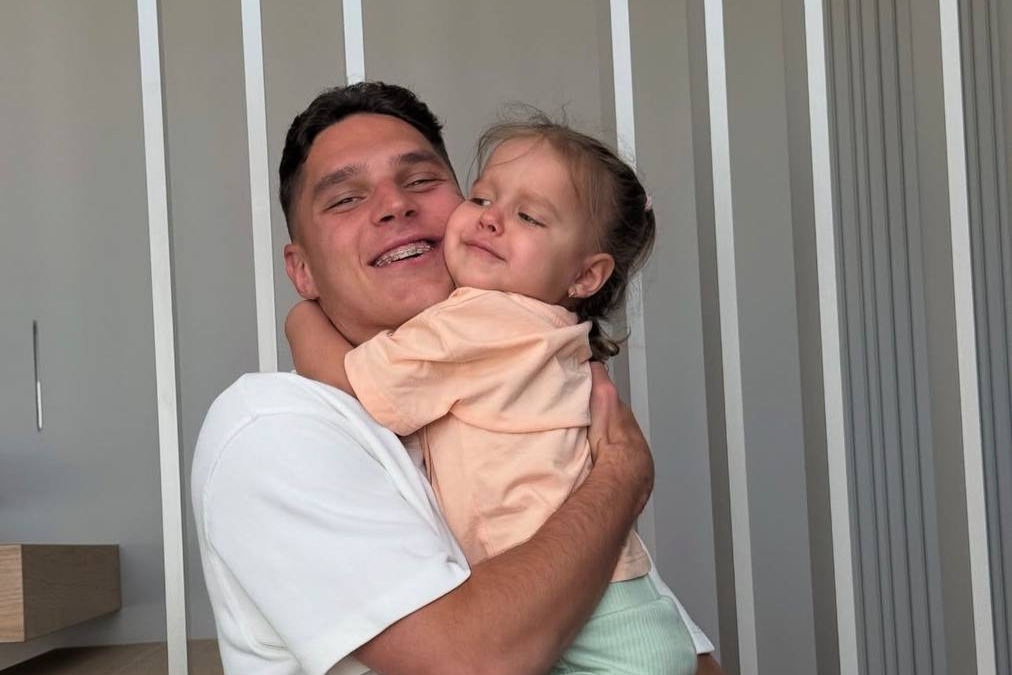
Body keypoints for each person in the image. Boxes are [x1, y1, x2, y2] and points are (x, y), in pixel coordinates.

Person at [191, 81, 724, 675]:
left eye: (421, 181)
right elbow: (471, 663)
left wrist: (300, 322)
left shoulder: (505, 370)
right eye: (345, 199)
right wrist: (621, 479)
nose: (394, 205)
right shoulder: (273, 424)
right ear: (302, 270)